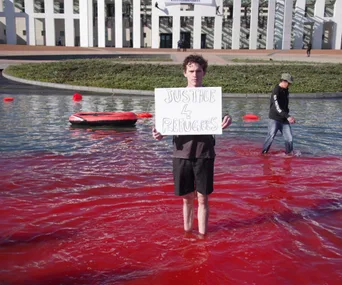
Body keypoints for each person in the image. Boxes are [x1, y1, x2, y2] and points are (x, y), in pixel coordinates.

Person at [152, 55, 232, 236]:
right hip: (181, 152)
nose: (195, 75)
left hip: (205, 152)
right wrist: (159, 133)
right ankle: (187, 233)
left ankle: (203, 236)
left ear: (204, 72)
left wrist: (227, 120)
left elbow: (221, 118)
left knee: (203, 198)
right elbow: (165, 125)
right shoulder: (173, 98)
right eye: (191, 71)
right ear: (184, 73)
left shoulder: (211, 97)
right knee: (187, 198)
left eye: (198, 71)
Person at [262, 73, 296, 155]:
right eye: (289, 83)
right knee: (271, 136)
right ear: (284, 81)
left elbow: (285, 105)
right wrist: (287, 116)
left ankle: (289, 154)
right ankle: (264, 153)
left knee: (289, 138)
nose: (289, 85)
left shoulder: (286, 90)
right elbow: (277, 107)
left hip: (284, 119)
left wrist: (288, 115)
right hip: (275, 118)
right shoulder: (276, 90)